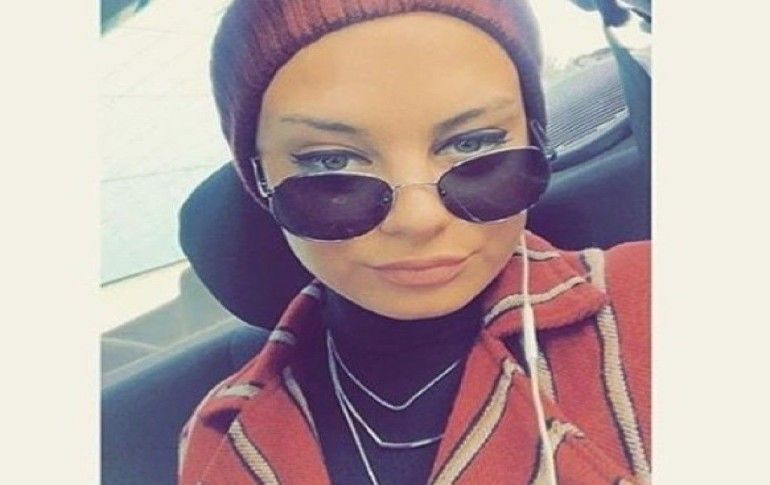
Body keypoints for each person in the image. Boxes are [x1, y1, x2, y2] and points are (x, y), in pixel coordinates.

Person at [178, 1, 650, 484]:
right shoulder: (217, 441)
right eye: (331, 162)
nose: (418, 220)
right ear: (259, 180)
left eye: (473, 144)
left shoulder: (655, 302)